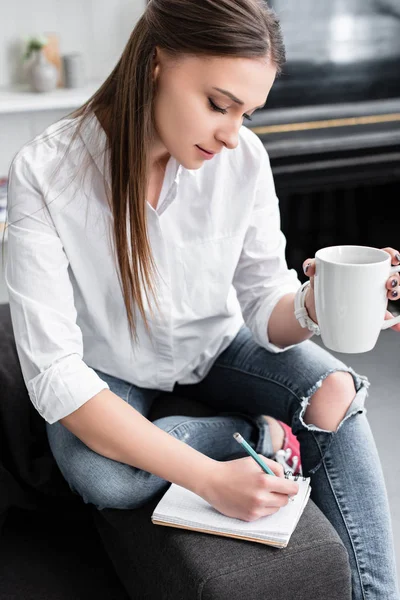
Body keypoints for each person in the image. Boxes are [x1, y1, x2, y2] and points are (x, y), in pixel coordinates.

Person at [4, 0, 400, 598]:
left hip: (219, 348)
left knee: (334, 392)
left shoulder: (244, 160)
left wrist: (319, 302)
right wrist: (212, 478)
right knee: (102, 477)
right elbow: (56, 375)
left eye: (247, 112)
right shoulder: (46, 172)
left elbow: (267, 305)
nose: (232, 133)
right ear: (157, 61)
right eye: (219, 104)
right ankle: (256, 432)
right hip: (110, 372)